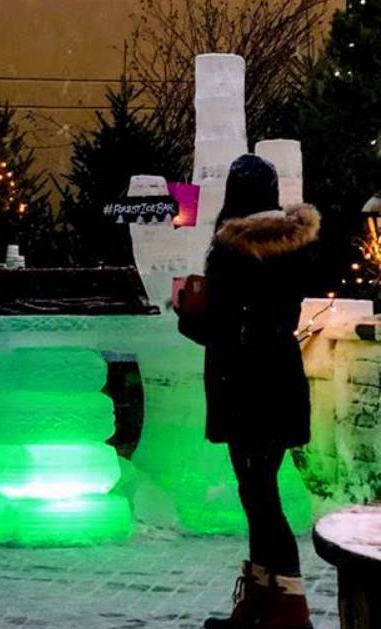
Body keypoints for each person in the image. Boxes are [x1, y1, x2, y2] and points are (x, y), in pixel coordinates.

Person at [179, 155, 319, 629]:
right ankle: (265, 599)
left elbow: (219, 326)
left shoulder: (231, 248)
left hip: (242, 383)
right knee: (261, 490)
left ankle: (286, 606)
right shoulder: (295, 245)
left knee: (257, 495)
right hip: (279, 377)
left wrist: (186, 311)